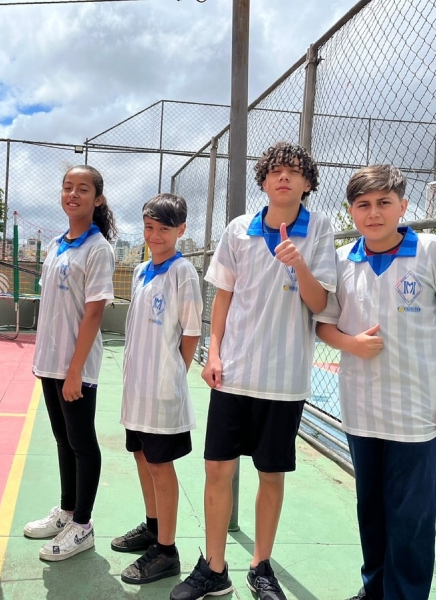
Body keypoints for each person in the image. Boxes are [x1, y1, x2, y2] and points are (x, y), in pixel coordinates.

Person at [170, 142, 337, 600]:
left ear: (307, 183)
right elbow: (223, 296)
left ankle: (260, 566)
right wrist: (214, 353)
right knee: (216, 469)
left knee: (271, 474)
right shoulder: (239, 229)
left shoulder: (320, 229)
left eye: (294, 171)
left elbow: (320, 303)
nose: (283, 177)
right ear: (263, 181)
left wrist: (299, 264)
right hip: (234, 373)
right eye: (275, 170)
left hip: (284, 380)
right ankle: (214, 568)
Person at [314, 165, 436, 600]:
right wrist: (351, 343)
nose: (374, 213)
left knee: (411, 518)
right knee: (371, 510)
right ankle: (375, 589)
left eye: (384, 203)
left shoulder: (432, 251)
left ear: (403, 206)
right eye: (363, 204)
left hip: (418, 412)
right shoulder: (342, 259)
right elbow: (324, 325)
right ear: (351, 211)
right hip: (362, 410)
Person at [23, 165, 116, 561]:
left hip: (75, 366)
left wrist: (75, 369)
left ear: (97, 199)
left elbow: (94, 313)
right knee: (63, 439)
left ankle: (83, 525)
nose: (73, 195)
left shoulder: (98, 248)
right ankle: (66, 510)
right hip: (50, 362)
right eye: (67, 187)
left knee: (81, 442)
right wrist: (46, 359)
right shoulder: (57, 244)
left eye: (82, 189)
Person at [112, 194, 203, 585]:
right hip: (137, 389)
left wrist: (174, 373)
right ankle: (153, 527)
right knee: (141, 456)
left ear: (180, 229)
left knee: (161, 466)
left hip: (162, 390)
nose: (155, 236)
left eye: (164, 229)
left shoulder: (183, 272)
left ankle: (167, 550)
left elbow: (192, 332)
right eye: (149, 227)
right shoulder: (140, 270)